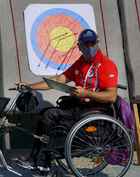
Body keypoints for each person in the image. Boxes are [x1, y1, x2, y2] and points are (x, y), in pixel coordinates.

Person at [14, 29, 119, 171]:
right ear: (79, 46)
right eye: (85, 44)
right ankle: (40, 160)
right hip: (80, 106)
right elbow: (57, 80)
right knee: (46, 113)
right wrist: (30, 86)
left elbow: (111, 96)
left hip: (93, 109)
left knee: (49, 115)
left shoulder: (106, 65)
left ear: (98, 43)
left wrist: (86, 93)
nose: (89, 47)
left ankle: (43, 162)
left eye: (92, 43)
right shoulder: (81, 62)